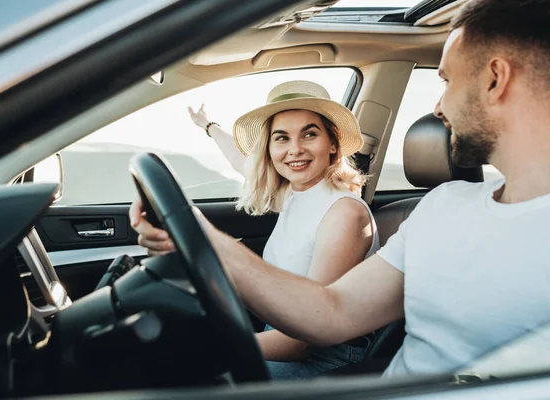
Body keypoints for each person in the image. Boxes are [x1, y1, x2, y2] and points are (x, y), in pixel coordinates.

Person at [132, 0, 550, 378]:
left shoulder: (348, 212)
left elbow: (307, 342)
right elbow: (332, 311)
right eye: (281, 138)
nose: (437, 106)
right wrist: (196, 234)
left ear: (495, 78)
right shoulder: (443, 206)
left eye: (446, 81)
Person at [138, 80, 380, 379]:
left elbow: (301, 342)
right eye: (281, 138)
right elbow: (239, 160)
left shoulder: (344, 213)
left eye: (309, 134)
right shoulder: (295, 194)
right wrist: (208, 125)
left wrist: (205, 346)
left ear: (332, 143)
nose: (294, 149)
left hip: (327, 361)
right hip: (278, 336)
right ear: (269, 147)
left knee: (184, 376)